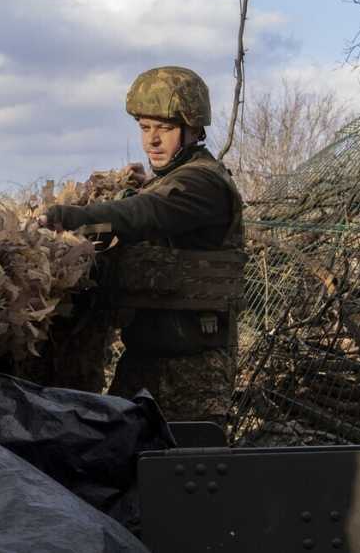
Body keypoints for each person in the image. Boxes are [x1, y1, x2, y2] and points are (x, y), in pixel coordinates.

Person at [40, 66, 245, 428]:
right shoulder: (165, 181)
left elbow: (146, 213)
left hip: (193, 369)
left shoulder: (203, 185)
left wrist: (69, 217)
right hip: (144, 360)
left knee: (185, 468)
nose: (152, 140)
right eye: (144, 128)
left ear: (194, 129)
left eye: (164, 129)